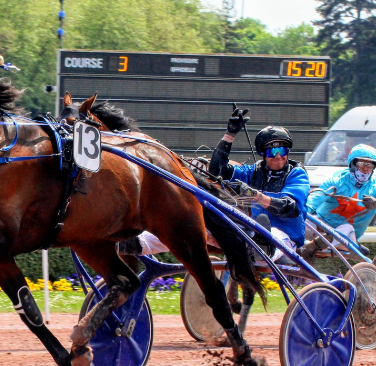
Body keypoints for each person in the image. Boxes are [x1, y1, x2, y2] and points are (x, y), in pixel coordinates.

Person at [117, 109, 310, 264]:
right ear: (263, 153)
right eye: (273, 151)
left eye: (283, 150)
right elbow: (218, 170)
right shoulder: (254, 171)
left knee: (266, 233)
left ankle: (261, 248)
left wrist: (257, 196)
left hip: (284, 238)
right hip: (250, 232)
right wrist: (229, 135)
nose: (278, 156)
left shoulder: (296, 174)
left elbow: (290, 208)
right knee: (191, 226)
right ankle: (137, 243)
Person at [301, 144, 376, 259]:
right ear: (352, 164)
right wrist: (300, 211)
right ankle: (312, 245)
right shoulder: (336, 181)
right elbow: (313, 199)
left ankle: (318, 245)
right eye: (361, 164)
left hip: (346, 235)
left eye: (369, 165)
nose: (365, 169)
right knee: (301, 220)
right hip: (321, 227)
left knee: (347, 228)